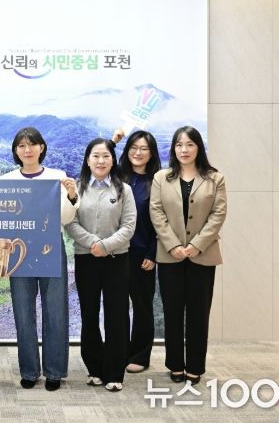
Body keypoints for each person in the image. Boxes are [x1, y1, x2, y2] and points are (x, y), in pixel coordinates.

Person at [0, 127, 79, 391]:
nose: (27, 150)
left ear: (41, 147)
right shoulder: (7, 180)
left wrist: (71, 196)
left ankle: (54, 371)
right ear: (16, 151)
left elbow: (65, 218)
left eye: (32, 144)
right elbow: (0, 218)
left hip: (50, 246)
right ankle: (29, 370)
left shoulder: (57, 176)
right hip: (18, 249)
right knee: (23, 311)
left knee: (55, 310)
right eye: (21, 146)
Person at [149, 126, 227, 385]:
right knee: (172, 312)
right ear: (174, 149)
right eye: (179, 145)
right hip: (170, 255)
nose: (184, 149)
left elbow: (218, 214)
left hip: (202, 255)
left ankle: (195, 366)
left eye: (190, 144)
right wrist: (173, 245)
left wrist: (196, 245)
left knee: (199, 312)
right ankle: (175, 364)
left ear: (198, 148)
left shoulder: (215, 178)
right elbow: (156, 212)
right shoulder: (161, 178)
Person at [66, 138, 136, 392]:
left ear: (113, 160)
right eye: (95, 156)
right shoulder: (77, 188)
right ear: (87, 160)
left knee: (117, 315)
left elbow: (129, 226)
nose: (101, 160)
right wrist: (93, 243)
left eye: (106, 156)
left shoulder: (123, 190)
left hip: (117, 259)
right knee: (89, 313)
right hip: (86, 259)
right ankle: (94, 368)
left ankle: (115, 371)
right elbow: (70, 222)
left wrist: (105, 246)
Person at [112, 129, 161, 374]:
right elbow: (95, 161)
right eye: (133, 147)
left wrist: (153, 254)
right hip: (116, 252)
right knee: (118, 305)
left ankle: (141, 355)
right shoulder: (117, 177)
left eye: (143, 149)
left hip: (142, 253)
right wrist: (113, 142)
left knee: (142, 306)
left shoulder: (157, 182)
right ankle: (120, 351)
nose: (138, 153)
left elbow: (162, 222)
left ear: (151, 153)